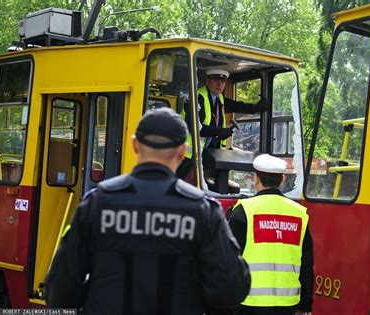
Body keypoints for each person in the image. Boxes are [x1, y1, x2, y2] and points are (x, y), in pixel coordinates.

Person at [45, 108, 251, 314]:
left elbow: (60, 290)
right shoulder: (203, 211)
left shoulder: (96, 203)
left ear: (135, 145)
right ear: (182, 152)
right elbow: (231, 289)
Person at [228, 154, 314, 315]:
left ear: (255, 179)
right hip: (288, 305)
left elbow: (228, 261)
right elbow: (307, 266)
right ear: (282, 180)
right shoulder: (300, 214)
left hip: (249, 303)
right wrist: (306, 307)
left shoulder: (243, 211)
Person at [176, 68, 268, 180]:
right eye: (216, 81)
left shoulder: (219, 99)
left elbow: (236, 105)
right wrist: (219, 132)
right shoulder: (196, 98)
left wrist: (255, 108)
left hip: (209, 155)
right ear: (208, 81)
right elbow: (195, 128)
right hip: (187, 156)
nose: (220, 84)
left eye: (223, 82)